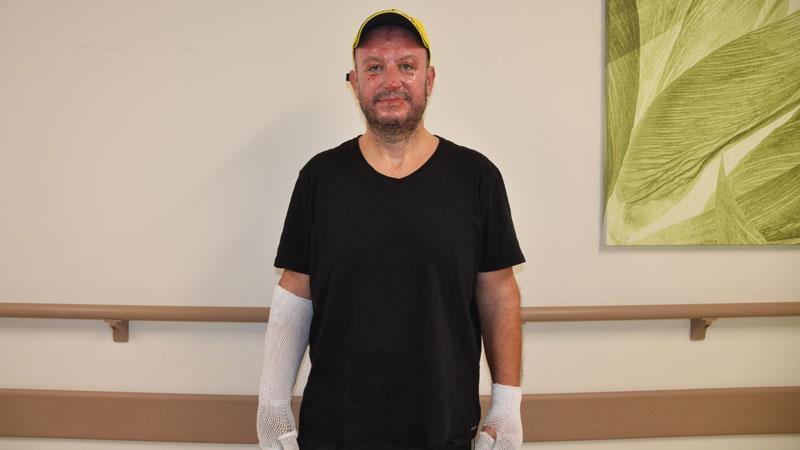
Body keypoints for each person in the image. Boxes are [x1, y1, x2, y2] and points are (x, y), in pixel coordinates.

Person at [257, 9, 525, 450]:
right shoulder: (320, 178)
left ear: (429, 79)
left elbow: (498, 291)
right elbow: (295, 290)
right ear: (354, 82)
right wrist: (272, 404)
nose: (391, 80)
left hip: (442, 427)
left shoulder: (476, 178)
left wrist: (507, 405)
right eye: (374, 67)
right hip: (335, 429)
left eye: (407, 65)